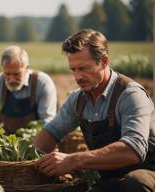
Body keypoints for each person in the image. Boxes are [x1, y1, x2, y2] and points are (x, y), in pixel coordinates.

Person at [33, 29, 155, 191]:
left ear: (104, 61)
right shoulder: (78, 99)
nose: (77, 77)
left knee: (135, 182)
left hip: (148, 173)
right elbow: (51, 131)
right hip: (109, 180)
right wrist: (29, 159)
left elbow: (133, 150)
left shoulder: (130, 95)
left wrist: (73, 160)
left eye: (83, 68)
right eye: (73, 70)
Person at [0, 45, 57, 134]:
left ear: (27, 68)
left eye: (16, 74)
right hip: (10, 139)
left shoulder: (42, 83)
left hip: (36, 137)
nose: (11, 79)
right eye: (7, 74)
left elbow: (47, 122)